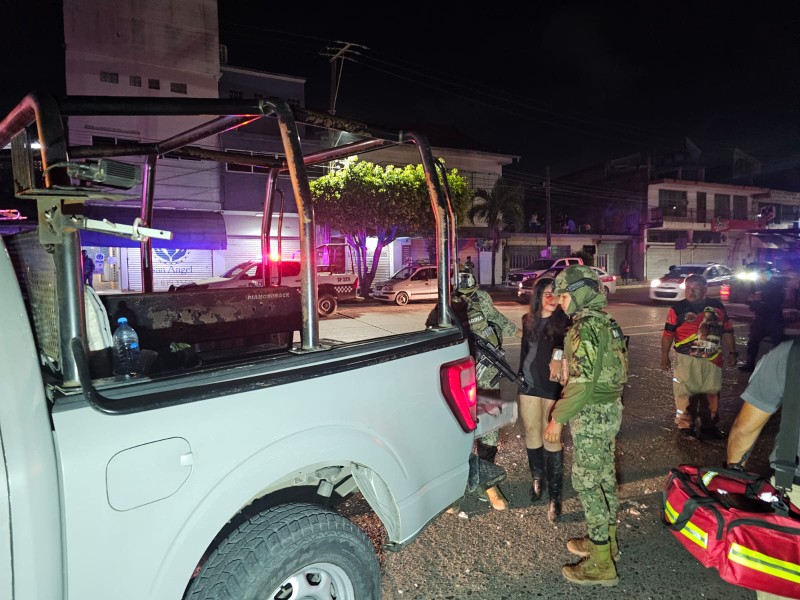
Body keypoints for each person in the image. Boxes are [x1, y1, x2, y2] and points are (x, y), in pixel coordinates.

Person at [544, 265, 628, 586]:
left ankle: (601, 564)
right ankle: (605, 542)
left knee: (588, 482)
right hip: (607, 409)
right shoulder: (603, 323)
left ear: (579, 293)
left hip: (592, 414)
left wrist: (557, 417)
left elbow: (581, 384)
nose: (561, 302)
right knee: (604, 477)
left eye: (564, 296)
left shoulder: (586, 328)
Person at [727, 339, 799, 600]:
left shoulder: (790, 355)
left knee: (784, 585)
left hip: (794, 497)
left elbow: (744, 429)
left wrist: (734, 479)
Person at [452, 270, 522, 510]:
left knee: (489, 432)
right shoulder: (445, 307)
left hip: (487, 379)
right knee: (459, 435)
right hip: (458, 380)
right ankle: (453, 490)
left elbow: (497, 319)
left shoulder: (481, 298)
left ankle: (488, 484)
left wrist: (520, 332)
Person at [518, 277, 571, 523]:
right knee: (531, 431)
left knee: (551, 436)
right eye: (546, 293)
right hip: (528, 383)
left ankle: (555, 496)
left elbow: (564, 349)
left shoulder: (565, 323)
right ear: (538, 296)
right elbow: (525, 352)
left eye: (555, 294)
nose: (551, 298)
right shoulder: (528, 320)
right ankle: (538, 478)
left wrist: (559, 357)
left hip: (551, 385)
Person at [660, 274, 737, 439]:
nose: (690, 292)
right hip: (687, 359)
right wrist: (664, 355)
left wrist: (732, 352)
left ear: (705, 290)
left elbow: (728, 330)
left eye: (695, 288)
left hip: (712, 358)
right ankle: (685, 426)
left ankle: (709, 426)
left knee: (711, 393)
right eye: (688, 288)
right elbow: (668, 334)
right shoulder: (677, 309)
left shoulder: (717, 306)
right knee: (686, 394)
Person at [739, 272, 785, 372]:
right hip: (761, 320)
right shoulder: (757, 286)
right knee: (753, 342)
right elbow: (751, 304)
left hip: (774, 320)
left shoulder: (776, 287)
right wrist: (752, 300)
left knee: (778, 343)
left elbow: (776, 304)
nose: (762, 278)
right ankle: (750, 363)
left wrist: (761, 299)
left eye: (764, 275)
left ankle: (781, 365)